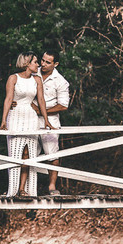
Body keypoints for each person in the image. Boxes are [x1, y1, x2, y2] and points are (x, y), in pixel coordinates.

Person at [0, 51, 49, 198]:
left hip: (30, 117)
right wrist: (3, 120)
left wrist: (46, 120)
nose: (38, 64)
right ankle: (13, 189)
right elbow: (8, 99)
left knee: (28, 154)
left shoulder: (37, 80)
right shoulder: (13, 78)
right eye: (35, 62)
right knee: (15, 153)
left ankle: (23, 188)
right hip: (15, 116)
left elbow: (41, 100)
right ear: (27, 63)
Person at [38, 51, 71, 196]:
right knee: (26, 153)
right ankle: (23, 188)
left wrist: (42, 112)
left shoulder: (61, 81)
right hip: (28, 117)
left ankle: (52, 186)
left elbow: (63, 105)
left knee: (52, 154)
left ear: (55, 64)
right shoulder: (33, 72)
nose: (43, 64)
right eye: (42, 60)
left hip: (50, 120)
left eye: (48, 62)